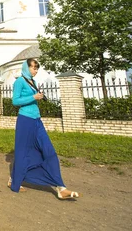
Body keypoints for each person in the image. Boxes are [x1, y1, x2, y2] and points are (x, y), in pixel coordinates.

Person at [9, 58, 80, 200]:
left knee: (49, 151)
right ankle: (14, 180)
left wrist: (35, 97)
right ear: (26, 67)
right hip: (25, 121)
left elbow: (30, 99)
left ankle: (61, 188)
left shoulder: (32, 82)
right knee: (23, 153)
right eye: (33, 68)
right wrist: (33, 96)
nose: (35, 71)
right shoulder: (19, 81)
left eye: (37, 68)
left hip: (36, 121)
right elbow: (15, 101)